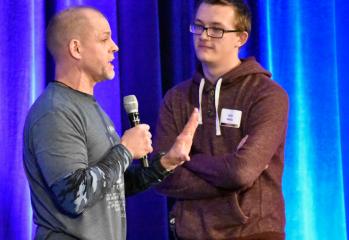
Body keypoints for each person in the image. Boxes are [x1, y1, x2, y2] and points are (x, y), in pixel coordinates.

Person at [23, 6, 199, 240]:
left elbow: (111, 184)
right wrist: (125, 150)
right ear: (76, 48)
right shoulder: (55, 111)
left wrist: (166, 162)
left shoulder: (89, 107)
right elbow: (74, 196)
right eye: (104, 39)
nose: (115, 46)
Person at [154, 0, 289, 239]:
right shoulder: (177, 97)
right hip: (190, 233)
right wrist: (230, 172)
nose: (204, 36)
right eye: (199, 26)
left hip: (252, 232)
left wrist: (187, 160)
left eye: (216, 29)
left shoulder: (268, 95)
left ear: (241, 38)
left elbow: (241, 172)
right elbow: (160, 176)